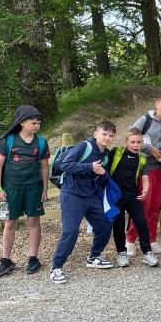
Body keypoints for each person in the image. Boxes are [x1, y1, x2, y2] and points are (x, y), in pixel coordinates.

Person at [50, 121, 117, 284]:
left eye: (111, 135)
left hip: (91, 195)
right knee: (70, 231)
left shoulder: (106, 155)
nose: (107, 138)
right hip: (72, 194)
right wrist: (89, 167)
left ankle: (94, 256)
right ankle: (56, 267)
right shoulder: (84, 146)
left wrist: (103, 174)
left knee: (105, 223)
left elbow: (102, 177)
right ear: (96, 134)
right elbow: (65, 165)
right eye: (104, 134)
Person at [0, 105, 50, 276]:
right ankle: (6, 259)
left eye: (39, 123)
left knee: (34, 221)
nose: (37, 125)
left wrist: (45, 189)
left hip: (34, 188)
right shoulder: (8, 141)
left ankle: (34, 258)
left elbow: (44, 167)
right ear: (22, 122)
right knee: (10, 223)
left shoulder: (41, 142)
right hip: (11, 190)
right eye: (33, 122)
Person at [127, 92, 161, 256]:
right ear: (157, 104)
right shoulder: (145, 120)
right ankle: (130, 240)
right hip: (144, 169)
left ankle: (151, 239)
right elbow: (131, 139)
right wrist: (150, 149)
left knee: (155, 206)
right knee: (143, 205)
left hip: (160, 170)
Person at [109, 128, 159, 268]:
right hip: (116, 196)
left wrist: (146, 190)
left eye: (139, 142)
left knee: (141, 222)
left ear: (142, 143)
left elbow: (145, 178)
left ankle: (147, 252)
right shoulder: (116, 152)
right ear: (126, 142)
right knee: (118, 225)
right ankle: (121, 252)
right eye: (132, 142)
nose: (136, 145)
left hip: (133, 195)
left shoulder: (142, 158)